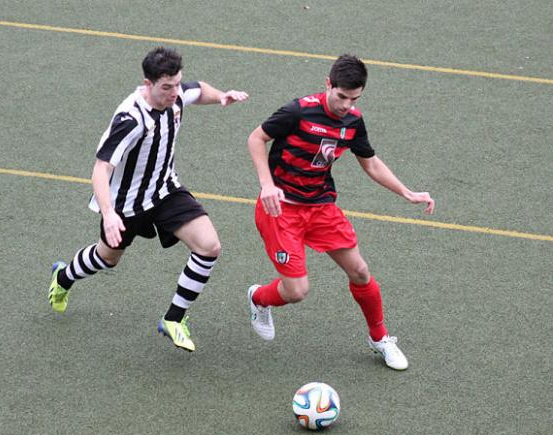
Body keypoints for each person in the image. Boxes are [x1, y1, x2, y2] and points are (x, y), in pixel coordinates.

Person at [48, 47, 248, 352]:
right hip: (125, 204)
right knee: (107, 258)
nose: (174, 93)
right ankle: (64, 277)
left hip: (165, 190)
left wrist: (221, 96)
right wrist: (109, 213)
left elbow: (199, 89)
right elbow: (101, 169)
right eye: (166, 87)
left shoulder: (177, 94)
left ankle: (173, 319)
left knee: (209, 247)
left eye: (176, 84)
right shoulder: (131, 120)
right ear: (147, 83)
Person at [246, 54, 434, 370]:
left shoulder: (353, 121)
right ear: (328, 84)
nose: (346, 105)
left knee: (360, 271)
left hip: (320, 207)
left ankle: (379, 337)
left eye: (354, 98)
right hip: (281, 210)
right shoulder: (298, 111)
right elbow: (256, 138)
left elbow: (370, 162)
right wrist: (267, 185)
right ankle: (258, 299)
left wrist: (407, 192)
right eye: (342, 96)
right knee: (297, 291)